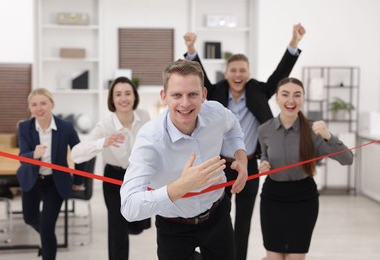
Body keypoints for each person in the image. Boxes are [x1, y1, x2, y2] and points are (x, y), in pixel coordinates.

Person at [183, 23, 306, 260]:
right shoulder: (216, 91)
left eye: (242, 70)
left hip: (248, 164)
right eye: (233, 70)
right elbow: (200, 75)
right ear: (226, 73)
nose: (238, 75)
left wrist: (294, 42)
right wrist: (191, 49)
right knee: (219, 219)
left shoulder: (258, 91)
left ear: (248, 73)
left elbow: (280, 74)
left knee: (244, 221)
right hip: (219, 166)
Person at [120, 59, 248, 260]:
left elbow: (233, 128)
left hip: (218, 215)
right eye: (177, 95)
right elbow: (129, 207)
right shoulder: (150, 139)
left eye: (193, 94)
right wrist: (181, 186)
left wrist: (241, 156)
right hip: (173, 227)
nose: (185, 103)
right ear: (164, 97)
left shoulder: (216, 112)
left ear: (204, 94)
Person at [257, 77, 354, 260]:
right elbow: (264, 155)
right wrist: (263, 164)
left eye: (297, 95)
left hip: (303, 199)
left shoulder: (314, 130)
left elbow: (347, 159)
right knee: (274, 257)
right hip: (273, 198)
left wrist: (328, 135)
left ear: (303, 98)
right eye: (285, 95)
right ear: (276, 98)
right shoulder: (264, 130)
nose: (291, 101)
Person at [71, 76, 151, 260]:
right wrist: (103, 142)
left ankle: (134, 224)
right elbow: (76, 154)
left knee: (138, 226)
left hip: (139, 177)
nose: (124, 98)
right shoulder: (105, 126)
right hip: (114, 179)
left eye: (128, 93)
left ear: (134, 96)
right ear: (112, 99)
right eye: (118, 94)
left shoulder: (145, 117)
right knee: (117, 229)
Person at [17, 88, 85, 260]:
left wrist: (78, 179)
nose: (39, 108)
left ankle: (46, 244)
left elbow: (80, 153)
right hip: (32, 180)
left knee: (47, 228)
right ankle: (44, 239)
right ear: (30, 108)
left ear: (51, 104)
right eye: (34, 105)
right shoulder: (25, 127)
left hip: (55, 182)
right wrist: (33, 155)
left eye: (43, 103)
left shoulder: (66, 127)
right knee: (30, 218)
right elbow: (22, 158)